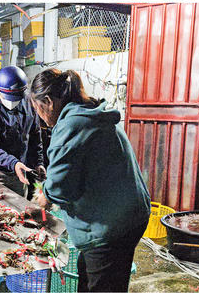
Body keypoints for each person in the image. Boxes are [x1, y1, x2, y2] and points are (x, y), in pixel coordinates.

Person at [29, 69, 150, 293]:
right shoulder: (89, 112)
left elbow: (61, 186)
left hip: (111, 226)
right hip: (128, 214)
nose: (39, 116)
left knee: (104, 284)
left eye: (37, 108)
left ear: (48, 101)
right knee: (96, 277)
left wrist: (44, 194)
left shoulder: (72, 126)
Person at [0, 66, 45, 198]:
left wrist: (38, 163)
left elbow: (35, 137)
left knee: (19, 205)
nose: (12, 102)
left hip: (19, 169)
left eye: (16, 98)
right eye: (9, 98)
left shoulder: (29, 105)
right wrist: (13, 163)